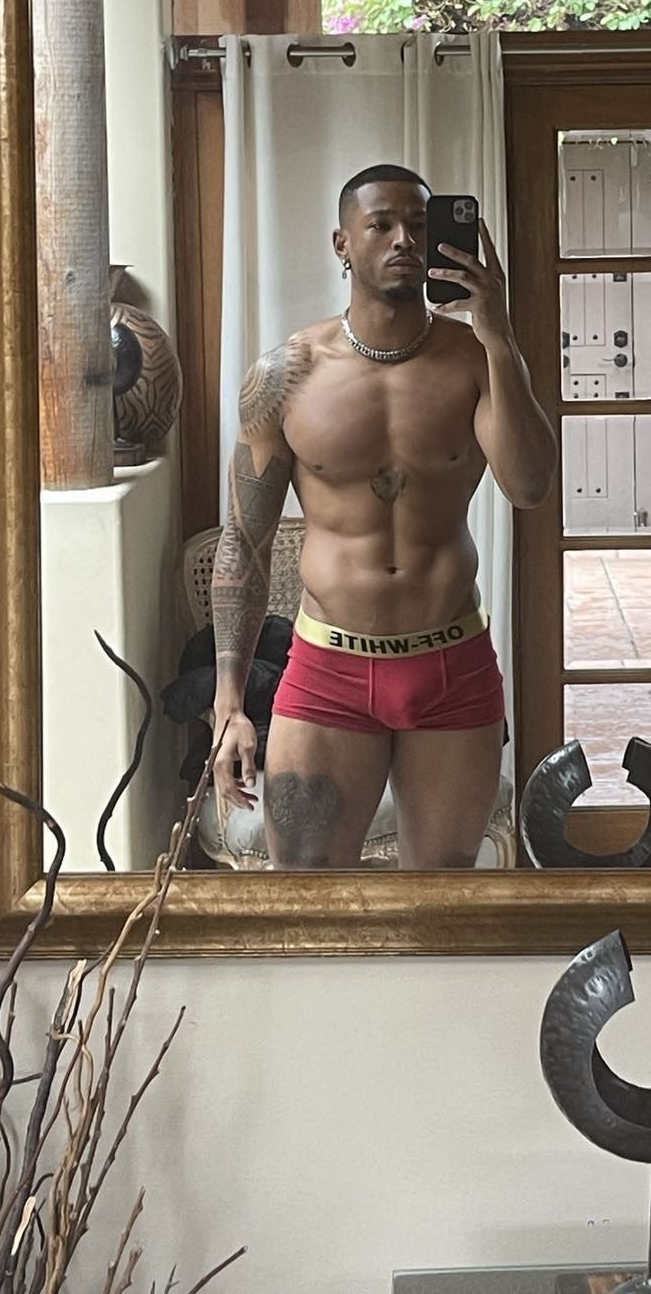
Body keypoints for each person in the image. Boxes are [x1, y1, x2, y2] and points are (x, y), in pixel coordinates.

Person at [209, 163, 556, 869]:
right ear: (342, 243)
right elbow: (243, 543)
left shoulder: (476, 360)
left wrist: (501, 335)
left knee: (440, 901)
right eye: (383, 224)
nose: (405, 239)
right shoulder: (285, 376)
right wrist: (229, 703)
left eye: (420, 226)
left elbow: (529, 486)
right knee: (308, 894)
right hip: (328, 671)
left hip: (450, 665)